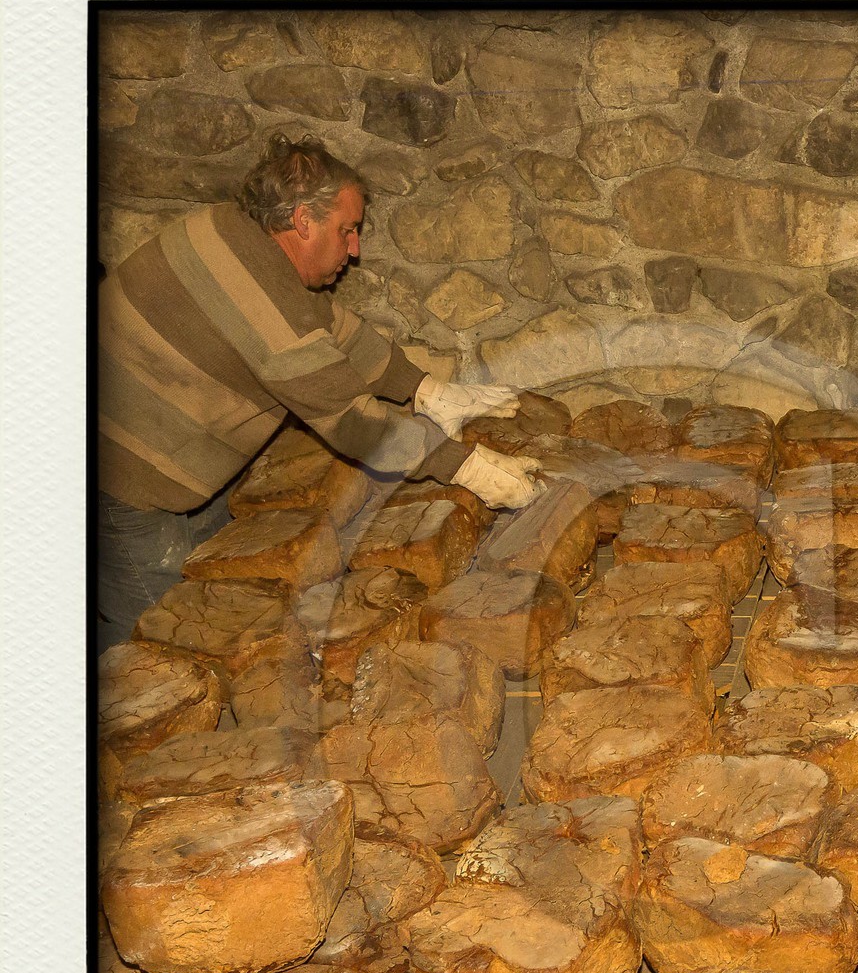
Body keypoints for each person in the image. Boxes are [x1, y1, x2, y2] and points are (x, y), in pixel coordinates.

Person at [97, 132, 542, 646]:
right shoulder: (261, 299)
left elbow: (335, 329)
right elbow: (351, 420)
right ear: (302, 221)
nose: (354, 250)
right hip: (126, 473)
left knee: (214, 585)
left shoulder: (237, 232)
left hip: (153, 438)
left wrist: (424, 389)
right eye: (347, 231)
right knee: (158, 644)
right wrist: (464, 467)